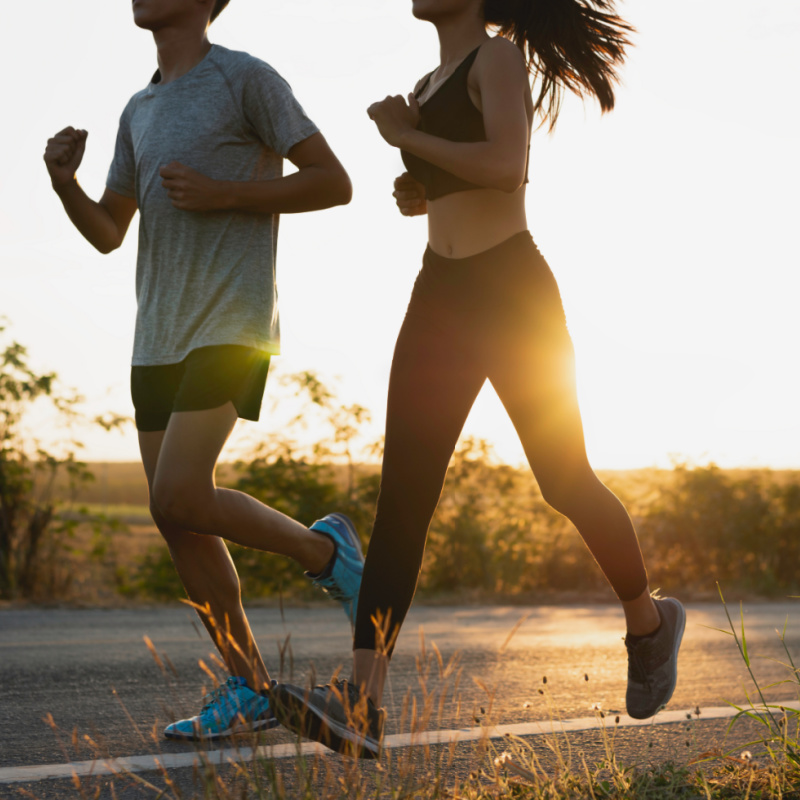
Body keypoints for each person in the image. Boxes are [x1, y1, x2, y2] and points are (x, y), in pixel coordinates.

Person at [272, 0, 685, 758]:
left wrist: (405, 137)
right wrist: (418, 189)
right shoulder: (425, 84)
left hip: (510, 292)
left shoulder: (496, 58)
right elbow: (455, 183)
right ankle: (362, 705)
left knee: (563, 479)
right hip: (439, 293)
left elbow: (507, 166)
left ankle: (649, 622)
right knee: (402, 501)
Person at [43, 0, 363, 741]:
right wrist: (66, 186)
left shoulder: (245, 79)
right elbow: (109, 232)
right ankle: (250, 688)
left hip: (233, 324)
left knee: (182, 490)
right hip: (156, 334)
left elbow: (333, 181)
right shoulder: (138, 108)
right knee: (172, 511)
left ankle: (326, 553)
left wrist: (227, 193)